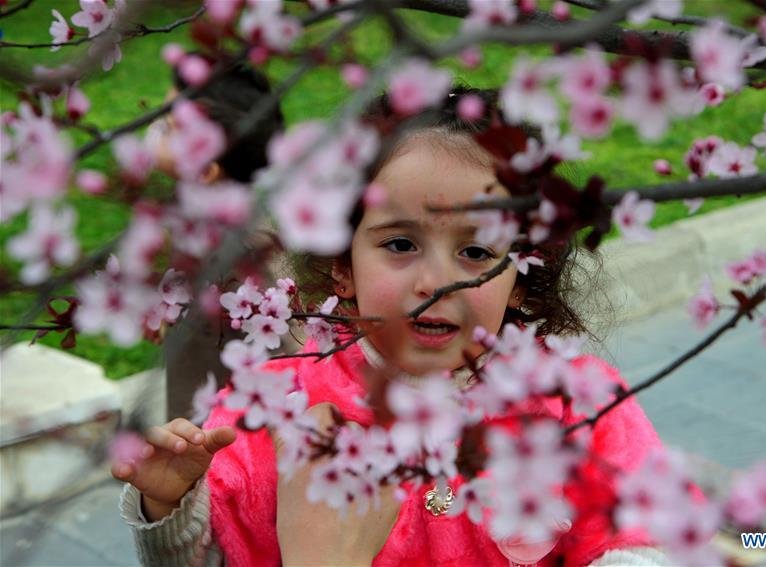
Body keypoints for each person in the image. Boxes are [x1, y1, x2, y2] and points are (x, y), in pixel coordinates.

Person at [115, 87, 672, 566]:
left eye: (476, 251)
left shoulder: (576, 402)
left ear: (521, 278)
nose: (436, 282)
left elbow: (645, 536)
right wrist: (173, 509)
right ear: (343, 266)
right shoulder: (274, 411)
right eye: (400, 244)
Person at [146, 60, 287, 422]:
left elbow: (288, 344)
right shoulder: (193, 206)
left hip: (233, 419)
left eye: (167, 127)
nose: (153, 129)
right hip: (193, 374)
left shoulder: (248, 245)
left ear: (206, 169)